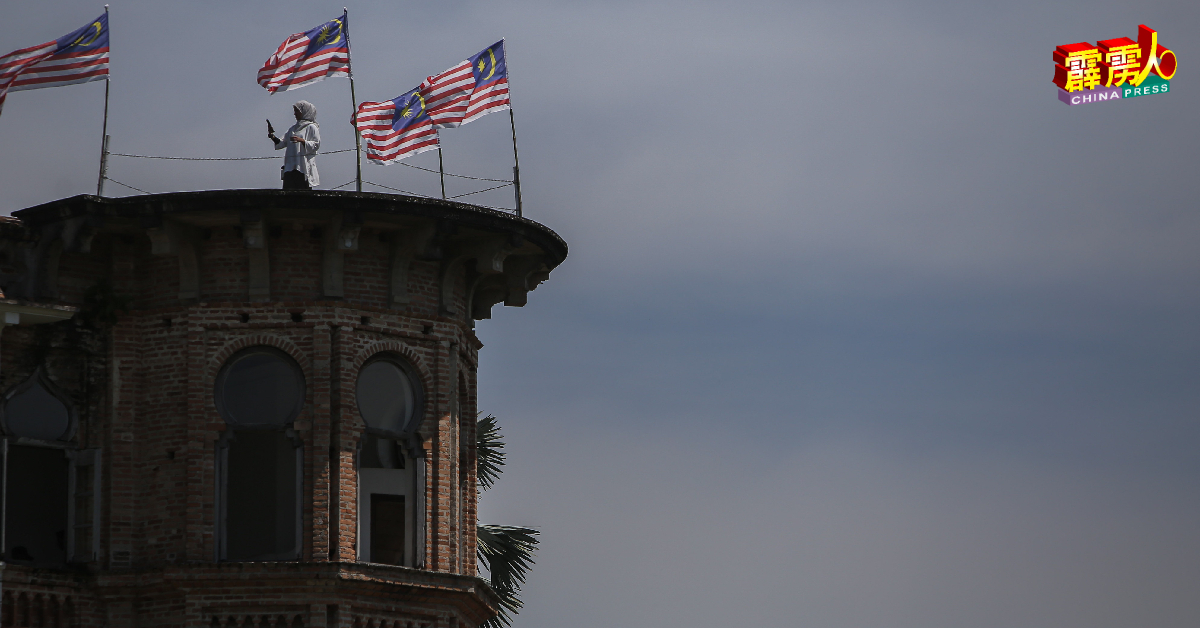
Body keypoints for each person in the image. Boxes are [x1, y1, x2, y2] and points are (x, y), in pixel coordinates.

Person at [268, 101, 321, 189]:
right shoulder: (293, 129)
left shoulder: (311, 127)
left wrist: (302, 141)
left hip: (303, 166)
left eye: (297, 111)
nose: (294, 114)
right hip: (290, 166)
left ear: (304, 112)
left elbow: (316, 145)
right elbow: (282, 143)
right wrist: (272, 136)